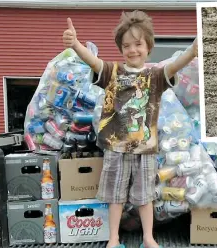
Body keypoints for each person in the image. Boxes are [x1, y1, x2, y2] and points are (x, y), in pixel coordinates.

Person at [62, 10, 197, 248]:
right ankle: (113, 238)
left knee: (145, 197)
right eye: (126, 46)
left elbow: (175, 66)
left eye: (138, 44)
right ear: (120, 49)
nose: (132, 50)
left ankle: (148, 237)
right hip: (116, 148)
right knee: (116, 197)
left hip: (145, 149)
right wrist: (75, 45)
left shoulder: (155, 76)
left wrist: (192, 52)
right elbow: (93, 61)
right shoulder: (113, 73)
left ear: (148, 47)